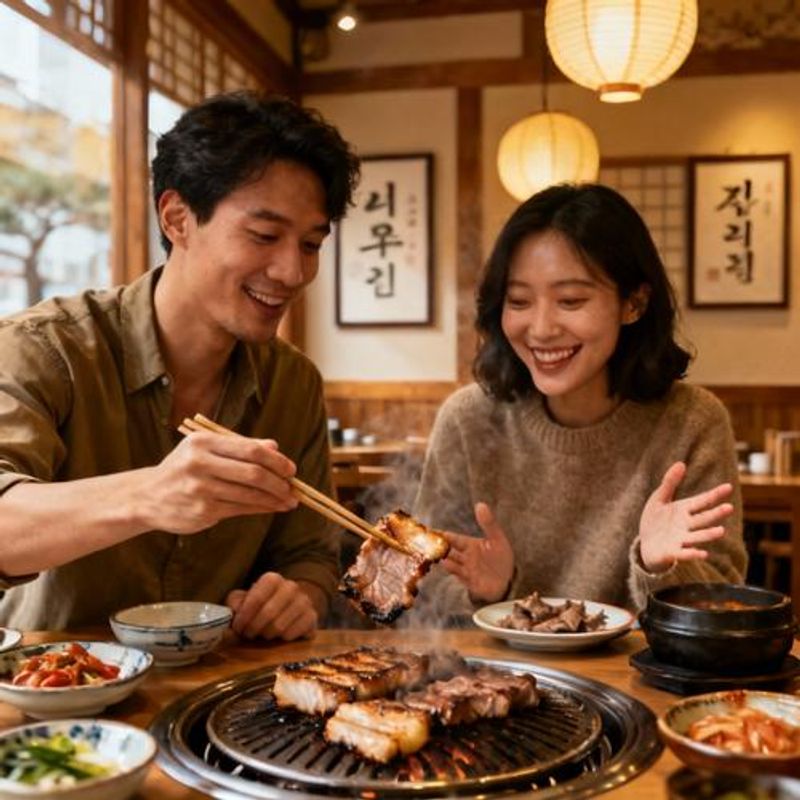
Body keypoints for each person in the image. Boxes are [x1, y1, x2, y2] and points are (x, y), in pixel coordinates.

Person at [0, 91, 360, 639]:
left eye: (310, 244)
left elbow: (310, 553)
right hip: (53, 701)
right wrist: (150, 495)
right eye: (264, 236)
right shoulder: (50, 349)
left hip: (216, 699)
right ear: (177, 218)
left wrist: (298, 596)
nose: (291, 271)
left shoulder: (293, 383)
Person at [412, 183, 747, 619]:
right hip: (488, 679)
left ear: (634, 303)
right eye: (519, 301)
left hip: (634, 682)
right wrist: (487, 595)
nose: (542, 328)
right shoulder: (468, 419)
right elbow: (420, 588)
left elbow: (722, 605)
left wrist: (658, 567)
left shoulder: (691, 422)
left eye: (570, 300)